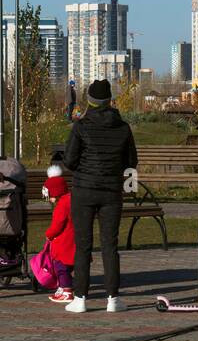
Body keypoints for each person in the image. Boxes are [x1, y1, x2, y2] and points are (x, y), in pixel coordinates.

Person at [61, 79, 137, 313]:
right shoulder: (123, 128)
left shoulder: (81, 127)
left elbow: (70, 161)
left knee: (83, 245)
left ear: (90, 101)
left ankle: (80, 298)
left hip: (84, 191)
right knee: (109, 245)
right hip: (112, 192)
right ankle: (113, 298)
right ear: (109, 100)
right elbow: (131, 162)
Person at [42, 173, 76, 303]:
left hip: (64, 242)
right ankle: (64, 287)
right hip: (74, 239)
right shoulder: (71, 199)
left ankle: (66, 290)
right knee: (71, 266)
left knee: (61, 267)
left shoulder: (62, 205)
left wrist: (49, 234)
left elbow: (57, 225)